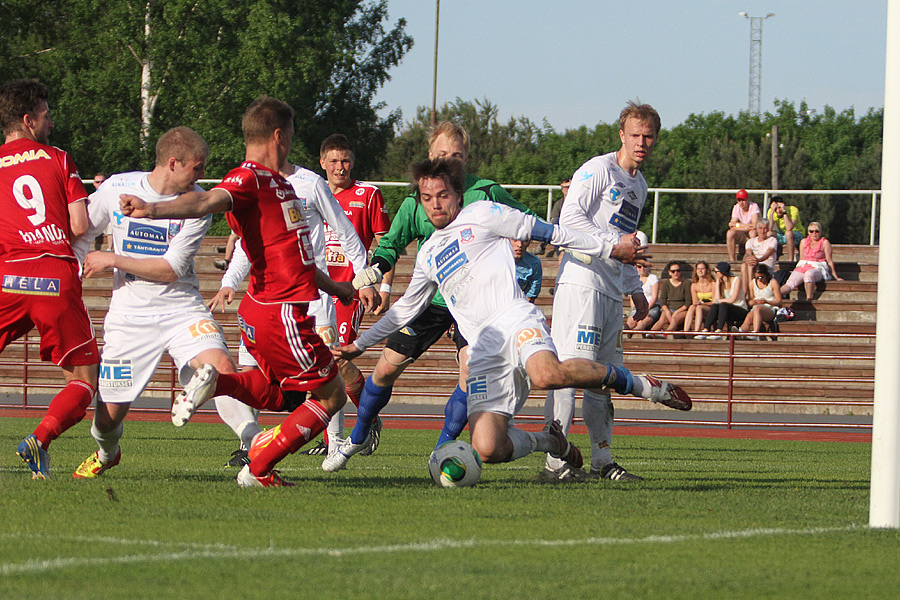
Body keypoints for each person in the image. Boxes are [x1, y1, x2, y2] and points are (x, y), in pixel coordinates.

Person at [326, 158, 690, 475]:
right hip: (485, 350)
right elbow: (406, 308)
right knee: (488, 448)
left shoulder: (484, 213)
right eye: (426, 198)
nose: (435, 205)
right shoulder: (429, 254)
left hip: (515, 320)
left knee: (548, 375)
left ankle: (644, 385)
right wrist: (359, 345)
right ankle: (551, 441)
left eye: (442, 195)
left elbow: (553, 232)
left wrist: (611, 247)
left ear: (456, 194)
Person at [119, 95, 361, 488]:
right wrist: (152, 208)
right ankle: (259, 466)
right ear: (279, 136)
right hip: (281, 312)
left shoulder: (280, 186)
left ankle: (219, 383)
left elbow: (295, 256)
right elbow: (206, 200)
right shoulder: (247, 178)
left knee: (280, 396)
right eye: (292, 136)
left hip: (268, 311)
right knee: (331, 395)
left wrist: (337, 288)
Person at [336, 121, 538, 470]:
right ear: (430, 157)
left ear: (467, 158)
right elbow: (391, 244)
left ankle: (442, 448)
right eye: (443, 155)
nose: (449, 162)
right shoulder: (417, 202)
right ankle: (359, 435)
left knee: (468, 373)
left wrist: (522, 238)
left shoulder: (486, 192)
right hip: (432, 301)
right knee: (385, 370)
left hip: (476, 305)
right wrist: (376, 268)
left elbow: (526, 218)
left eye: (457, 156)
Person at [70, 127, 256, 478]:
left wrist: (112, 259)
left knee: (222, 368)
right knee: (108, 416)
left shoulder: (197, 205)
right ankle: (107, 453)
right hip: (129, 316)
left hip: (181, 307)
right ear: (173, 163)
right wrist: (74, 270)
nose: (201, 177)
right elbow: (82, 231)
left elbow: (171, 270)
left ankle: (255, 446)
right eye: (197, 168)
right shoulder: (116, 189)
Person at [207, 135, 377, 467]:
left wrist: (364, 277)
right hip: (266, 295)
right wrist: (229, 281)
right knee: (255, 372)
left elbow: (344, 229)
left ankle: (335, 444)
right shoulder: (251, 182)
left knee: (331, 370)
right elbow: (245, 243)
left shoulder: (309, 183)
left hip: (312, 295)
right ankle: (251, 443)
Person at [543, 101, 665, 482]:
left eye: (648, 137)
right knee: (567, 373)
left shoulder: (640, 185)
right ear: (621, 135)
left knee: (604, 379)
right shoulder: (598, 170)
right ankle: (555, 463)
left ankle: (602, 461)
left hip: (612, 289)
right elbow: (569, 219)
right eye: (635, 135)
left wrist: (635, 289)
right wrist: (613, 246)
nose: (641, 142)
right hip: (582, 283)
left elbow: (628, 243)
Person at [0, 78, 99, 479]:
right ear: (28, 120)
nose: (51, 123)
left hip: (7, 275)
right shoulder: (58, 158)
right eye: (46, 115)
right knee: (83, 378)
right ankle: (39, 439)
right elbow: (79, 223)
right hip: (53, 276)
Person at [780, 222, 843, 300]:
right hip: (804, 265)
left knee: (809, 274)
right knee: (791, 281)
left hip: (818, 266)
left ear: (820, 232)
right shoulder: (803, 242)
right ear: (808, 232)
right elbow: (802, 258)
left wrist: (835, 276)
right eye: (811, 231)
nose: (814, 233)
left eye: (816, 231)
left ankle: (809, 298)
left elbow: (829, 260)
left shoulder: (824, 242)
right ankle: (775, 295)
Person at [698, 261, 748, 338]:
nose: (715, 274)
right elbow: (716, 300)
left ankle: (719, 330)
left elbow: (732, 299)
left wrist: (718, 301)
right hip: (727, 309)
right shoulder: (721, 283)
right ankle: (706, 329)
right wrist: (718, 283)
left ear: (722, 272)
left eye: (716, 272)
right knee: (715, 306)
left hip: (740, 308)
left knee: (723, 304)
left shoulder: (736, 280)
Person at [739, 264, 782, 340]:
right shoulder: (752, 283)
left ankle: (755, 332)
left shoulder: (773, 283)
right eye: (757, 277)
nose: (759, 279)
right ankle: (741, 332)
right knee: (749, 316)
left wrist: (767, 301)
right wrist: (755, 302)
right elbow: (750, 302)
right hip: (756, 307)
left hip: (770, 308)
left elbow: (779, 301)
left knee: (757, 309)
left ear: (766, 275)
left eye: (761, 277)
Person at [740, 219, 778, 299]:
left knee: (751, 266)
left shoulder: (772, 240)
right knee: (744, 265)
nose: (762, 231)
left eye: (764, 228)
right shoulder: (751, 241)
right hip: (754, 263)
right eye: (760, 228)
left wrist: (758, 259)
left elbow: (769, 253)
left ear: (767, 229)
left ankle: (751, 295)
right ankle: (745, 293)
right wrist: (751, 258)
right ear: (757, 229)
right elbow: (748, 252)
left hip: (766, 265)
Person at [650, 261, 690, 336]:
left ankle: (666, 334)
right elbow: (663, 301)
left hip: (683, 309)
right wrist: (667, 311)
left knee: (675, 319)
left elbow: (688, 302)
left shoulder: (686, 283)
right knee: (662, 319)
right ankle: (651, 333)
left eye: (678, 271)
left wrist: (677, 312)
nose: (676, 273)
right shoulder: (666, 283)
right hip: (670, 308)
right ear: (669, 272)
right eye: (673, 271)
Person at [538, 178, 570, 258]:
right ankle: (558, 252)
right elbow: (554, 219)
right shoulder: (559, 203)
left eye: (568, 187)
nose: (566, 189)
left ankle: (543, 244)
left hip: (573, 226)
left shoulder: (579, 201)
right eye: (564, 187)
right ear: (562, 189)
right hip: (561, 227)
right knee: (555, 223)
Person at [625, 263, 660, 334]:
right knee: (631, 322)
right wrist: (634, 309)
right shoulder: (634, 279)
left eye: (644, 266)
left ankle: (633, 335)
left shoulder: (652, 278)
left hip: (652, 307)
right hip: (638, 307)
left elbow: (654, 297)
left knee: (642, 322)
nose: (642, 269)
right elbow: (632, 297)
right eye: (639, 267)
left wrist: (645, 309)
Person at [683, 260, 716, 336]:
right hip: (699, 306)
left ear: (707, 270)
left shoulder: (713, 284)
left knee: (699, 308)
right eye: (698, 269)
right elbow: (695, 301)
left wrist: (703, 303)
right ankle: (685, 331)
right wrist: (698, 303)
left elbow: (715, 301)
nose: (700, 271)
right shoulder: (694, 285)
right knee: (692, 307)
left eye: (702, 268)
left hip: (711, 307)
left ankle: (696, 331)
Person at [767, 195, 804, 262]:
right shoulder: (771, 211)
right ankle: (770, 260)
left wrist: (784, 212)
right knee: (769, 234)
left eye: (779, 208)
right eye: (776, 208)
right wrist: (772, 212)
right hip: (783, 235)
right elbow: (769, 228)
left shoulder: (793, 209)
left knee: (788, 233)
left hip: (796, 235)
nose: (778, 211)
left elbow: (789, 228)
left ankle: (790, 261)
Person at [726, 189, 761, 261]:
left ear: (748, 199)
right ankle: (732, 260)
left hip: (755, 233)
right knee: (730, 233)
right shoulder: (736, 207)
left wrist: (738, 225)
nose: (741, 202)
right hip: (744, 234)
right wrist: (746, 226)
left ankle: (752, 258)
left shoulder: (754, 206)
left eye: (743, 200)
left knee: (752, 233)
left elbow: (754, 226)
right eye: (739, 200)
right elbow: (731, 225)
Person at [510, 238, 543, 303]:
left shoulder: (534, 263)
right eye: (515, 240)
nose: (519, 245)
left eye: (525, 241)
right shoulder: (493, 259)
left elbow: (530, 297)